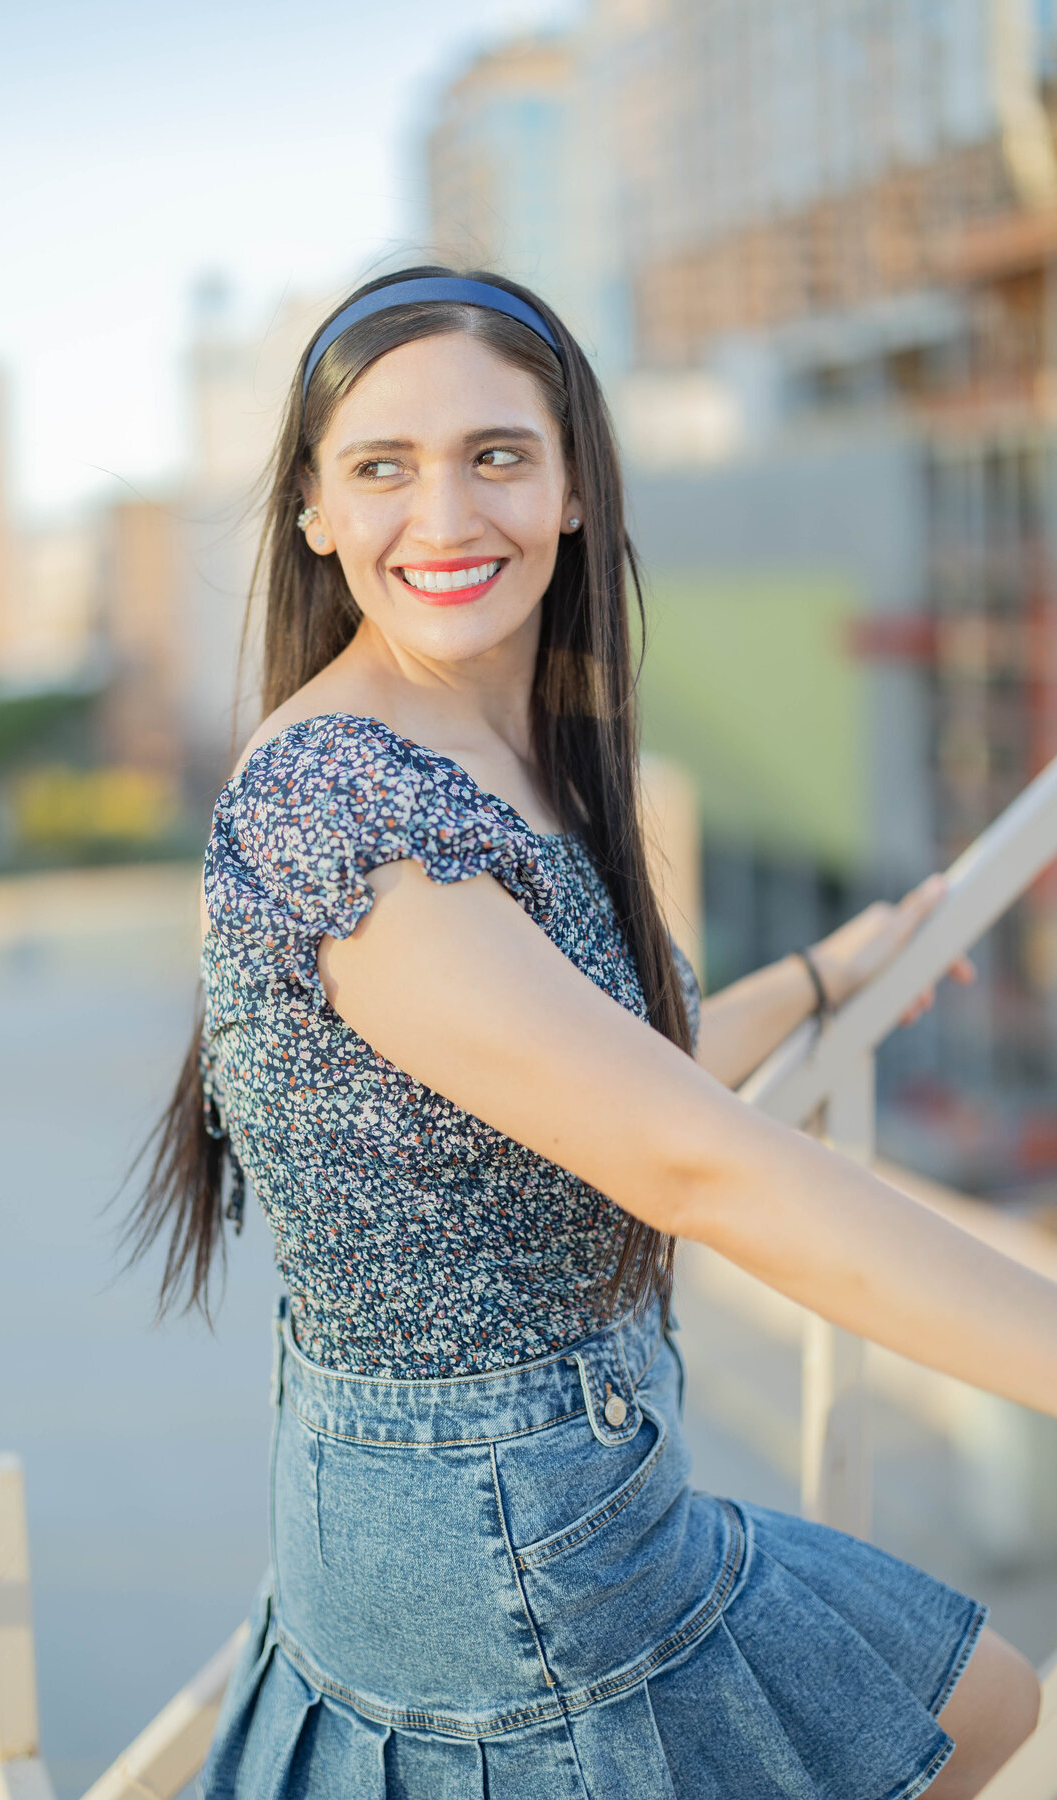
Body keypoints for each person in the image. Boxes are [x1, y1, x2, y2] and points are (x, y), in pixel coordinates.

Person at [128, 268, 1053, 1800]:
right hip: (499, 1572)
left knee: (980, 1706)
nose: (446, 515)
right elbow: (700, 1167)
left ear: (570, 487)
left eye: (497, 454)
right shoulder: (336, 805)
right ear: (310, 510)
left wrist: (829, 976)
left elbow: (602, 1077)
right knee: (969, 1717)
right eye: (383, 467)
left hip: (561, 1505)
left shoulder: (503, 748)